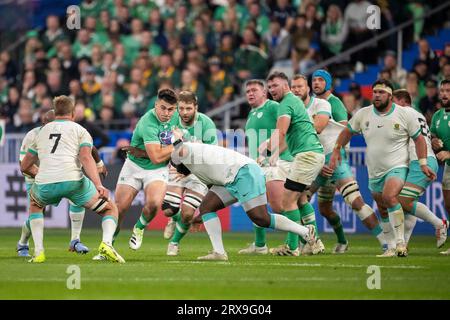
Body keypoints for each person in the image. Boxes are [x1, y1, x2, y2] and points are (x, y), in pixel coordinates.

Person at [168, 132, 320, 261]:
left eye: (177, 167)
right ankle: (219, 252)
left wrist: (175, 139)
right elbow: (211, 189)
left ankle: (306, 232)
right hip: (232, 178)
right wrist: (201, 216)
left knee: (261, 218)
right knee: (207, 207)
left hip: (244, 173)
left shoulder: (189, 151)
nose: (180, 171)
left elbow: (182, 149)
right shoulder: (196, 168)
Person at [329, 80, 436, 257]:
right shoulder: (363, 114)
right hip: (374, 171)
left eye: (381, 92)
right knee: (382, 206)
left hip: (397, 167)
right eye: (375, 92)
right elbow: (347, 131)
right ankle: (391, 246)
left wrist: (423, 163)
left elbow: (419, 139)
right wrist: (336, 149)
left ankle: (401, 244)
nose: (377, 95)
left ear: (390, 96)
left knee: (389, 196)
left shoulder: (404, 114)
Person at [20, 95, 123, 263]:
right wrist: (98, 184)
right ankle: (106, 245)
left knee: (35, 205)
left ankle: (38, 252)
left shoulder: (41, 132)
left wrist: (44, 174)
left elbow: (24, 166)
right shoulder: (79, 130)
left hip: (45, 183)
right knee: (110, 208)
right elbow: (85, 157)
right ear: (73, 113)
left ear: (56, 112)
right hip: (73, 181)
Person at [293, 73, 386, 253]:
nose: (317, 83)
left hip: (332, 159)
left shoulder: (333, 103)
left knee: (355, 200)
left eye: (321, 80)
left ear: (328, 83)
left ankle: (386, 242)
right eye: (314, 80)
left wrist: (338, 156)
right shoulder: (306, 104)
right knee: (320, 207)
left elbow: (345, 132)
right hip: (315, 162)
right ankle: (327, 241)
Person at [261, 71, 325, 256]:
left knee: (287, 202)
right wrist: (274, 153)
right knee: (301, 199)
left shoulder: (287, 103)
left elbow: (281, 132)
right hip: (309, 155)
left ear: (286, 86)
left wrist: (266, 151)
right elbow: (289, 137)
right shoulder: (293, 102)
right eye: (270, 87)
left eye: (275, 86)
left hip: (307, 156)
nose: (272, 90)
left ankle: (292, 247)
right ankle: (315, 243)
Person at [114, 89, 178, 250]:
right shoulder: (147, 122)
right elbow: (156, 156)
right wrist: (177, 144)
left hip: (157, 170)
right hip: (134, 166)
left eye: (171, 109)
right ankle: (108, 244)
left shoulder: (177, 117)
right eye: (163, 108)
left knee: (154, 204)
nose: (166, 113)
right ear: (156, 105)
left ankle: (139, 228)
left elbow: (159, 158)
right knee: (119, 209)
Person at [238, 79, 294, 255]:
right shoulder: (252, 113)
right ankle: (260, 245)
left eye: (254, 90)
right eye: (247, 91)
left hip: (275, 163)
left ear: (264, 92)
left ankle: (295, 243)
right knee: (257, 205)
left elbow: (289, 129)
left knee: (279, 206)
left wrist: (275, 153)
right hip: (259, 165)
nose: (250, 93)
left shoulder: (273, 107)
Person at [160, 91, 218, 256]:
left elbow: (211, 154)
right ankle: (173, 218)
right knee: (168, 210)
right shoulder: (171, 122)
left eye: (188, 108)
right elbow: (165, 148)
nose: (184, 112)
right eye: (181, 108)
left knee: (187, 214)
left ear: (196, 107)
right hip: (176, 170)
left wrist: (191, 170)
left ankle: (174, 243)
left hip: (198, 173)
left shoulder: (206, 124)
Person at [392, 89, 448, 249]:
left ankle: (440, 223)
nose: (392, 107)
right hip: (422, 160)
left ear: (403, 102)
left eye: (394, 102)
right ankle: (404, 244)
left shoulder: (403, 114)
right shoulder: (418, 115)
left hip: (421, 161)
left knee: (402, 200)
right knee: (407, 204)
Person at [430, 79, 450, 255]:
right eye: (442, 90)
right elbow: (432, 137)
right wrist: (433, 141)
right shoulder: (437, 116)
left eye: (448, 91)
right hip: (448, 168)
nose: (444, 94)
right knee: (449, 205)